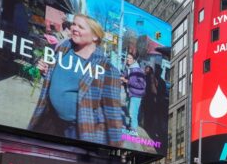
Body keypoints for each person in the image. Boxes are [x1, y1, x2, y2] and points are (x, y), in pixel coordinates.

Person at [29, 14, 124, 146]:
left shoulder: (107, 70)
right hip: (50, 119)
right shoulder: (64, 48)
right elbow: (61, 77)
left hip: (78, 130)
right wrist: (46, 71)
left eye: (81, 27)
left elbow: (113, 116)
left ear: (95, 36)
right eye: (74, 24)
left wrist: (113, 151)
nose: (74, 28)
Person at [121, 52, 146, 130]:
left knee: (133, 113)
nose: (127, 59)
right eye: (127, 57)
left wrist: (127, 81)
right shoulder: (129, 68)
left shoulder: (138, 70)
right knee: (129, 112)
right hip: (130, 93)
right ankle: (131, 126)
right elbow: (124, 76)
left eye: (129, 58)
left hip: (136, 95)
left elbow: (142, 85)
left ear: (134, 60)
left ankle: (134, 129)